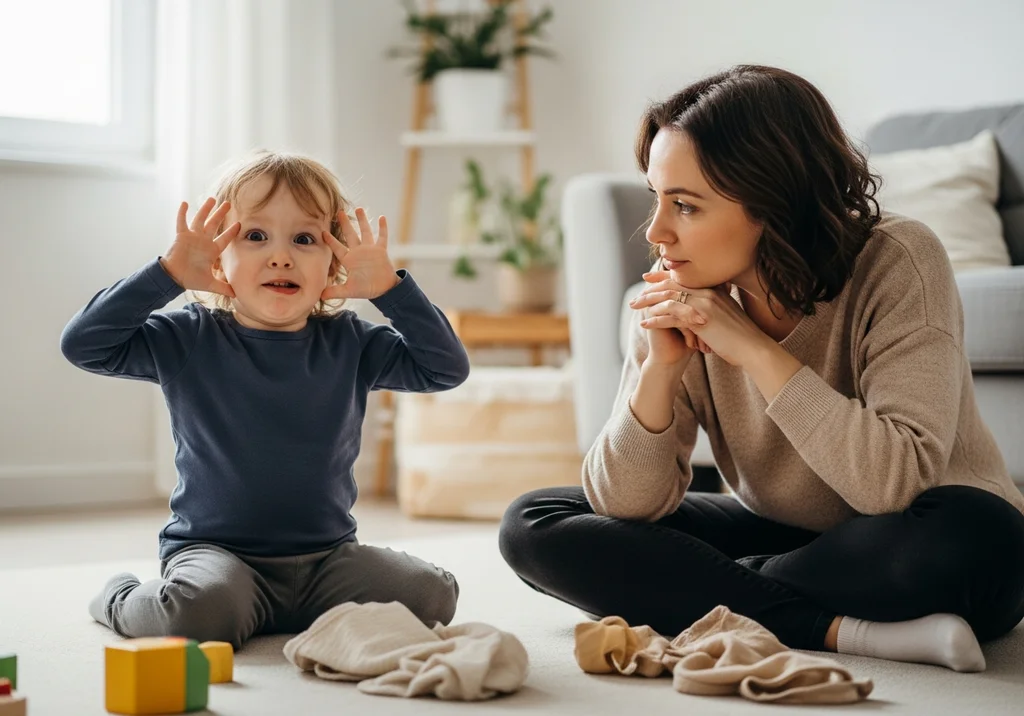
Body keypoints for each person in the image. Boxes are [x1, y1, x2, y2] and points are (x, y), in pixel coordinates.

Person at [499, 65, 1024, 672]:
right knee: (535, 523)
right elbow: (626, 506)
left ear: (773, 202)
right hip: (790, 539)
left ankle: (705, 594)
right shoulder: (681, 295)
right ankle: (837, 631)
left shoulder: (899, 260)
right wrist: (660, 369)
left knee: (986, 539)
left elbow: (893, 484)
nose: (657, 231)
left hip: (909, 532)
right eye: (656, 198)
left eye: (686, 205)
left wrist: (752, 348)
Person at [61, 151, 470, 648]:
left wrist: (389, 290)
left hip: (328, 561)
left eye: (305, 239)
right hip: (218, 556)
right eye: (255, 236)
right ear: (217, 257)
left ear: (335, 262)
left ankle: (278, 613)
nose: (282, 256)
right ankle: (119, 598)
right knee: (199, 615)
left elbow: (445, 369)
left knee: (433, 596)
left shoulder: (352, 342)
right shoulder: (189, 337)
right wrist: (167, 274)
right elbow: (85, 344)